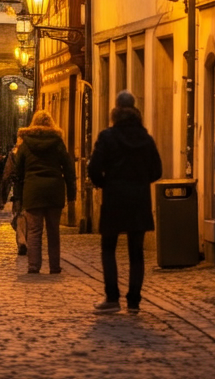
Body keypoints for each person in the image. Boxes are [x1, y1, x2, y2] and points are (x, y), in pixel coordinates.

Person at [87, 90, 162, 313]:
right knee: (136, 253)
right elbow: (157, 171)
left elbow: (93, 168)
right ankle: (134, 301)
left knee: (109, 248)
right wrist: (140, 182)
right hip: (139, 200)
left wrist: (104, 183)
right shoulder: (146, 139)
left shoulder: (107, 136)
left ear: (116, 111)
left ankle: (112, 299)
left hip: (114, 199)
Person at [14, 110, 77, 274]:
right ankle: (54, 266)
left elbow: (17, 172)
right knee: (53, 231)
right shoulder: (57, 142)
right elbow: (69, 169)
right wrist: (71, 194)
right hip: (54, 191)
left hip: (32, 191)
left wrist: (18, 197)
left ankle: (34, 266)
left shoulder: (25, 144)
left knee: (34, 231)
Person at [1, 131, 29, 255]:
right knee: (28, 214)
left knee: (19, 214)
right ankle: (26, 240)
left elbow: (7, 174)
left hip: (18, 187)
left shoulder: (13, 154)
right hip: (30, 186)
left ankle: (21, 240)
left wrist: (3, 193)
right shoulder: (32, 153)